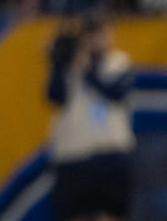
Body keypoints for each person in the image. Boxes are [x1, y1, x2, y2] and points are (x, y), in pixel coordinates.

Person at [46, 13, 135, 221]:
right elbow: (54, 96)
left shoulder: (118, 61)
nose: (98, 38)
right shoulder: (69, 65)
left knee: (109, 215)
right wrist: (59, 62)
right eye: (92, 33)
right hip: (72, 157)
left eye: (102, 32)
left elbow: (115, 92)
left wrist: (87, 69)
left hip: (109, 156)